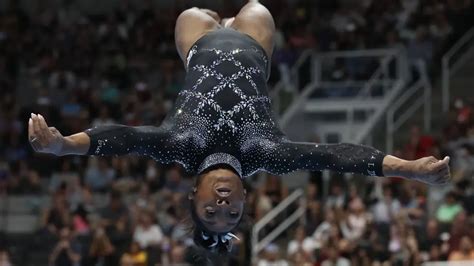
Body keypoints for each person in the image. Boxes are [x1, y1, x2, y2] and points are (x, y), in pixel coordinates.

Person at [28, 0, 451, 255]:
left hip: (196, 44)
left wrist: (64, 145)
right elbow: (336, 156)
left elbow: (123, 138)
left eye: (211, 211)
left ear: (194, 196)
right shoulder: (263, 152)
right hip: (254, 44)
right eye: (232, 213)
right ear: (246, 197)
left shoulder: (181, 148)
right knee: (257, 7)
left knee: (194, 12)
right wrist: (408, 169)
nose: (224, 204)